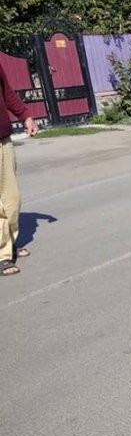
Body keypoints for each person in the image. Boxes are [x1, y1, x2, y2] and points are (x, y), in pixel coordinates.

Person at [0, 62, 39, 276]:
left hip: (3, 139)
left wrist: (25, 116)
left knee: (12, 199)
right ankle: (2, 253)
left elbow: (6, 91)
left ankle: (9, 242)